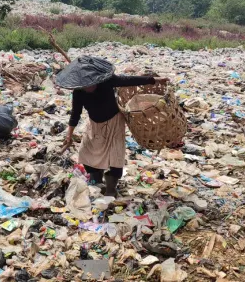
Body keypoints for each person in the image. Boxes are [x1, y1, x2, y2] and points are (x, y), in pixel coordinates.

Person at [57, 56, 168, 197]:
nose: (88, 88)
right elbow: (75, 114)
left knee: (115, 156)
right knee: (87, 152)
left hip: (114, 122)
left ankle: (111, 187)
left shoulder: (107, 81)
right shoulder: (78, 92)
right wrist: (69, 134)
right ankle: (96, 179)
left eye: (90, 84)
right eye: (85, 86)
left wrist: (154, 80)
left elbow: (128, 80)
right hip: (94, 124)